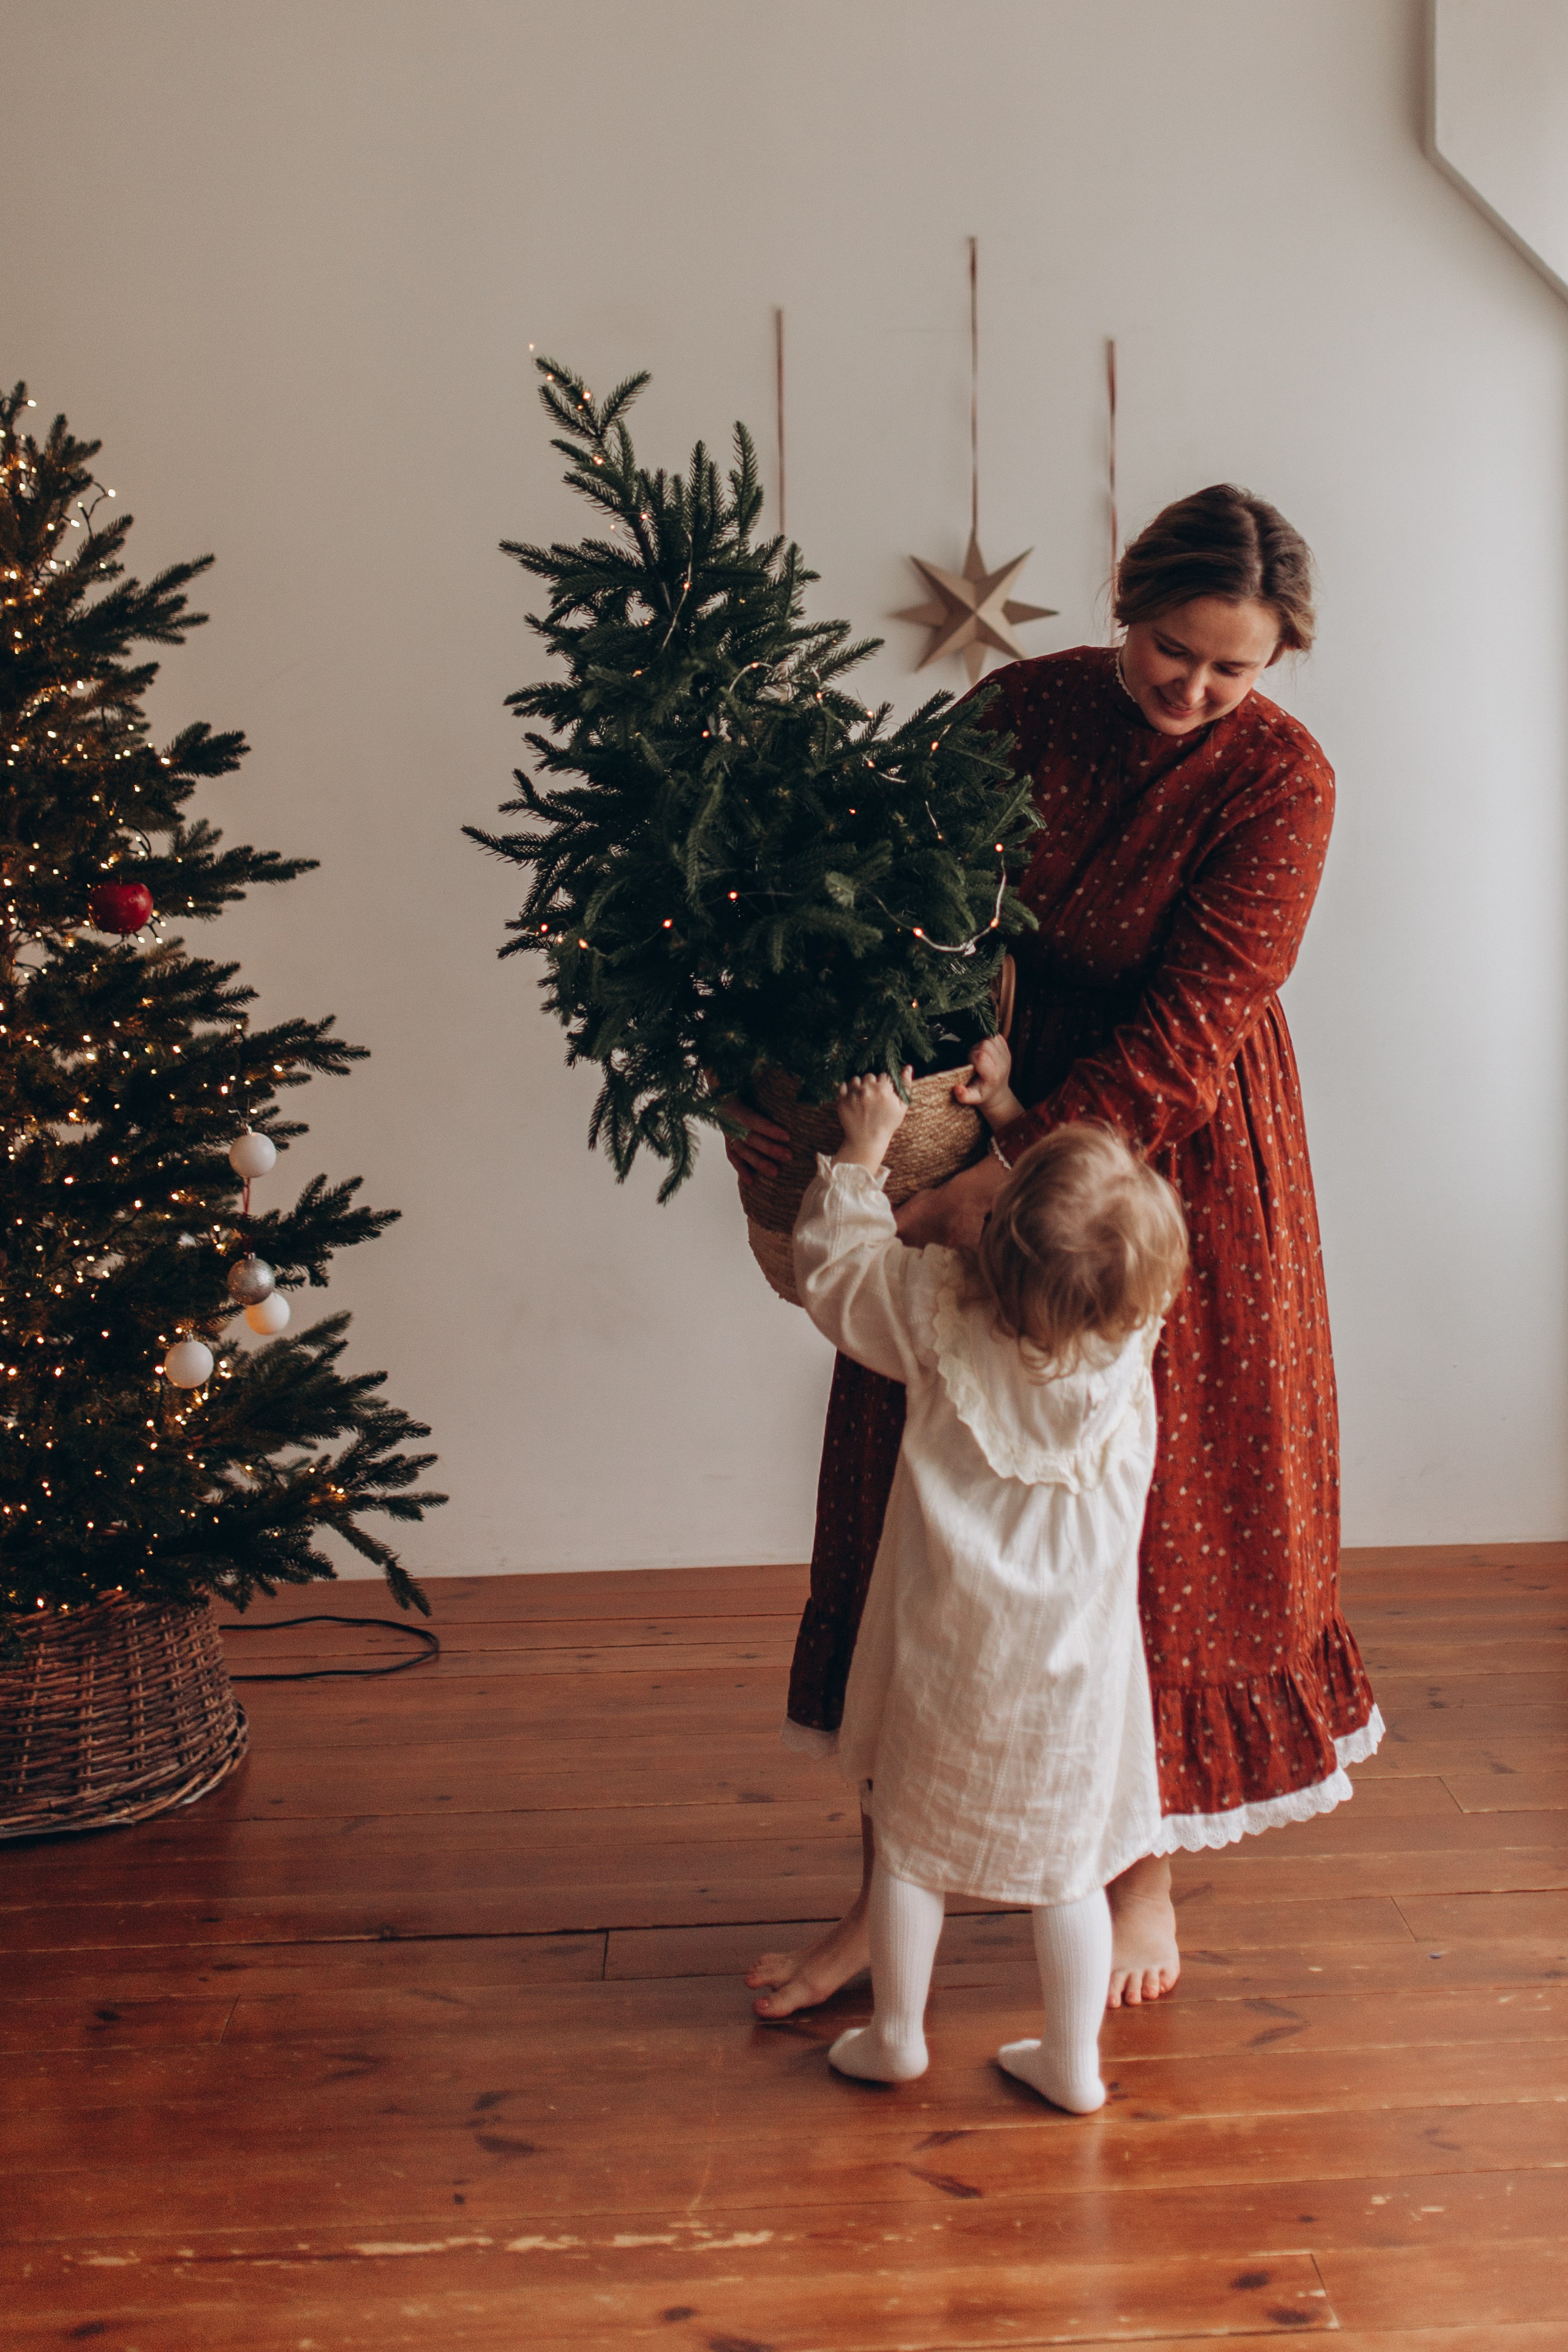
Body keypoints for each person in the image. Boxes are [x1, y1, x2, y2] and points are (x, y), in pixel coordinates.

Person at [733, 484, 1383, 2018]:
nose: (1195, 691)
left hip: (1161, 1161)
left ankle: (1133, 1860)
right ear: (1123, 605)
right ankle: (879, 1891)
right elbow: (894, 903)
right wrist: (921, 1123)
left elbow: (1193, 1025)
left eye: (1235, 667)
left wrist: (1029, 1170)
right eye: (1173, 651)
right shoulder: (1016, 708)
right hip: (977, 1084)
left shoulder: (1281, 780)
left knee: (1144, 1509)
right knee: (931, 1487)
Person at [792, 1069, 1188, 2108]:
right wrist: (1020, 1119)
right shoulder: (1132, 1332)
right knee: (1068, 1873)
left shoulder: (936, 1313)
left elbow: (837, 1274)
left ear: (992, 1239)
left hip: (945, 1647)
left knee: (913, 1855)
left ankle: (897, 2038)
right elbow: (1092, 1237)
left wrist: (865, 1151)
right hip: (1076, 1670)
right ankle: (1072, 2064)